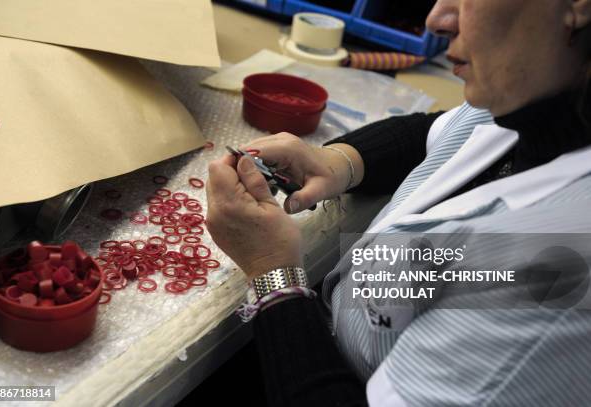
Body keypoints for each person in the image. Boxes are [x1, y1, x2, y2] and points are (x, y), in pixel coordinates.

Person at [206, 0, 591, 405]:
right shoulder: (534, 94)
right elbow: (440, 132)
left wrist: (273, 273)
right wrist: (338, 163)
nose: (437, 21)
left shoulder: (552, 275)